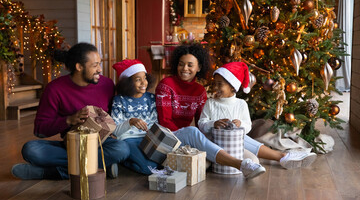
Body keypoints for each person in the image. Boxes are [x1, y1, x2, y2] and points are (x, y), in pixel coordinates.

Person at [11, 43, 129, 180]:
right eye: (95, 65)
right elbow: (40, 130)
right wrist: (69, 120)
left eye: (100, 64)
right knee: (31, 150)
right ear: (79, 67)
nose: (100, 69)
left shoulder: (107, 85)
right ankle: (100, 166)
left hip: (101, 143)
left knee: (121, 149)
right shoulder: (54, 89)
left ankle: (52, 173)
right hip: (71, 144)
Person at [155, 43, 266, 179]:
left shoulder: (200, 91)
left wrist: (213, 130)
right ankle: (240, 164)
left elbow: (202, 124)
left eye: (190, 65)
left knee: (232, 133)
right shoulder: (166, 85)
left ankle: (280, 157)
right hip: (169, 136)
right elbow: (165, 122)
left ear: (199, 67)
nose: (185, 68)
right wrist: (193, 140)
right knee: (192, 131)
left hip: (189, 138)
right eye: (181, 64)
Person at [198, 61, 317, 169]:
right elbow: (201, 124)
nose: (215, 87)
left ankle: (284, 158)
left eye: (220, 84)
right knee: (242, 140)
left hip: (234, 145)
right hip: (215, 143)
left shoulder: (240, 104)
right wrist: (213, 123)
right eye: (215, 84)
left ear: (232, 86)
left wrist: (240, 125)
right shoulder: (211, 103)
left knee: (252, 157)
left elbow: (248, 126)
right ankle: (282, 156)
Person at [111, 59, 159, 175]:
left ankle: (127, 160)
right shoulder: (119, 100)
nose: (144, 83)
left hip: (148, 139)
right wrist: (131, 122)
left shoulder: (151, 98)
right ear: (127, 83)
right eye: (138, 80)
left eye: (145, 78)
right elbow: (115, 131)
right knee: (150, 169)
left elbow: (155, 124)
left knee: (160, 163)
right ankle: (123, 161)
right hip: (128, 141)